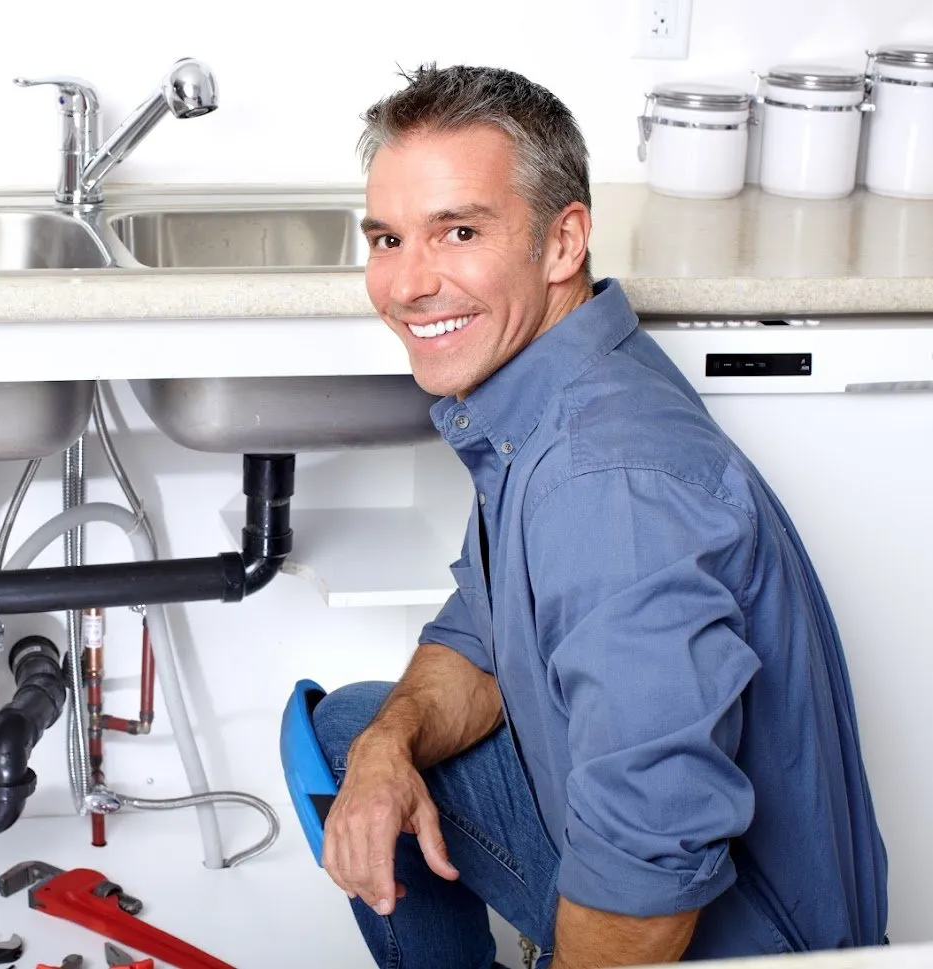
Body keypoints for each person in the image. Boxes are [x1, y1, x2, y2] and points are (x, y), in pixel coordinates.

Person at [314, 63, 889, 968]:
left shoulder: (605, 480)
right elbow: (484, 631)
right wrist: (389, 748)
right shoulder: (553, 386)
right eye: (387, 239)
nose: (407, 283)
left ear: (561, 242)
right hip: (655, 864)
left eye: (457, 231)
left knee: (611, 863)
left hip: (739, 942)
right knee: (354, 731)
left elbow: (651, 860)